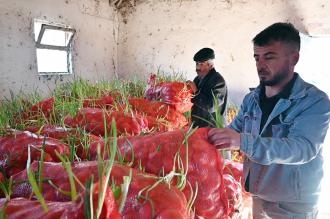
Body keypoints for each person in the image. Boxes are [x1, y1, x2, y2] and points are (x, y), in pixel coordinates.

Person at [208, 22, 330, 218]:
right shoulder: (252, 99)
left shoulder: (314, 101)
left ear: (294, 58)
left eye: (269, 57)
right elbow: (234, 129)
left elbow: (303, 148)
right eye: (257, 58)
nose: (260, 65)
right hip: (258, 194)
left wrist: (242, 141)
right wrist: (199, 141)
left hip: (292, 204)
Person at [187, 47, 227, 128]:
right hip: (198, 127)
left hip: (212, 129)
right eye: (196, 64)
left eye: (201, 64)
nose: (197, 68)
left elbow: (211, 106)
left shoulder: (218, 81)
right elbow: (193, 101)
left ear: (210, 65)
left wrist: (196, 91)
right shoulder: (197, 79)